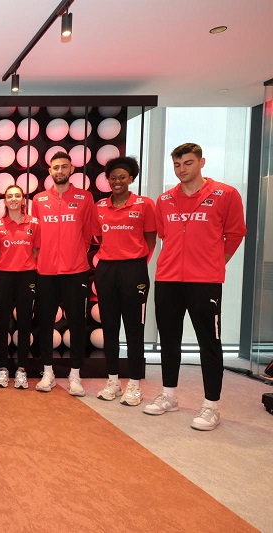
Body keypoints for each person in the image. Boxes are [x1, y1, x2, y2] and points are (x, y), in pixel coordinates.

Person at [143, 143, 246, 430]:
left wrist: (215, 263)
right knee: (169, 340)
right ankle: (168, 395)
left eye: (188, 163)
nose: (181, 170)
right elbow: (164, 235)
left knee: (209, 343)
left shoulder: (225, 194)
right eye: (177, 165)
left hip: (205, 282)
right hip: (168, 279)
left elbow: (235, 234)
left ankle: (211, 406)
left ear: (201, 162)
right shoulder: (165, 199)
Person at [32, 151, 97, 396]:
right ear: (50, 171)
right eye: (56, 167)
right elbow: (35, 236)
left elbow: (88, 234)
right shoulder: (39, 199)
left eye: (64, 166)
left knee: (77, 323)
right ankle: (47, 373)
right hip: (46, 271)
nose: (60, 170)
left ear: (72, 169)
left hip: (76, 271)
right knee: (45, 322)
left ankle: (75, 375)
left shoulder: (85, 197)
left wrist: (74, 254)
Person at [93, 157, 157, 406]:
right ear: (107, 180)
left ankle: (134, 384)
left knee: (134, 329)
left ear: (131, 178)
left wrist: (136, 262)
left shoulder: (144, 204)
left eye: (122, 177)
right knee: (109, 327)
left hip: (134, 270)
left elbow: (150, 239)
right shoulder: (99, 206)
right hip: (106, 270)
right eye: (113, 177)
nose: (117, 181)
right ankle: (113, 381)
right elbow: (98, 238)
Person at [0, 184, 39, 389]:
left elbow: (36, 251)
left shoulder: (34, 223)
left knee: (25, 322)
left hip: (27, 276)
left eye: (17, 195)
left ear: (22, 200)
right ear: (5, 200)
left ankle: (21, 369)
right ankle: (2, 368)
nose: (13, 199)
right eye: (9, 196)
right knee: (2, 322)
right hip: (3, 276)